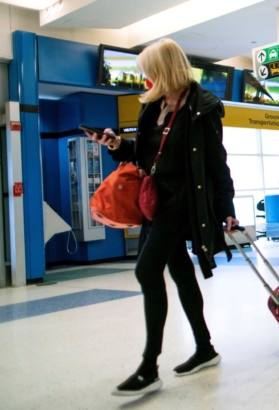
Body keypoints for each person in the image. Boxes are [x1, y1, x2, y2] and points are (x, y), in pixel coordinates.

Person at [85, 38, 238, 396]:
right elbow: (143, 155)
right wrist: (115, 144)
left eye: (149, 72)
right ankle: (204, 348)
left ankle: (149, 365)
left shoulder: (203, 107)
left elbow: (217, 162)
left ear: (163, 69)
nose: (145, 79)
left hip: (182, 201)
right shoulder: (152, 107)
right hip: (154, 199)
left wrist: (227, 209)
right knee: (181, 273)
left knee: (146, 269)